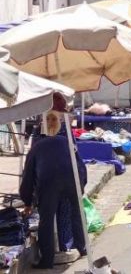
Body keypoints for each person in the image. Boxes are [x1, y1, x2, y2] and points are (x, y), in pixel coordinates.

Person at [21, 110, 88, 269]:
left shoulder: (36, 147)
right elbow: (80, 165)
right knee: (77, 212)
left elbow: (28, 176)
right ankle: (82, 247)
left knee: (46, 220)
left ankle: (47, 260)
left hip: (48, 182)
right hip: (71, 178)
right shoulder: (67, 141)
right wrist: (81, 186)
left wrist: (27, 202)